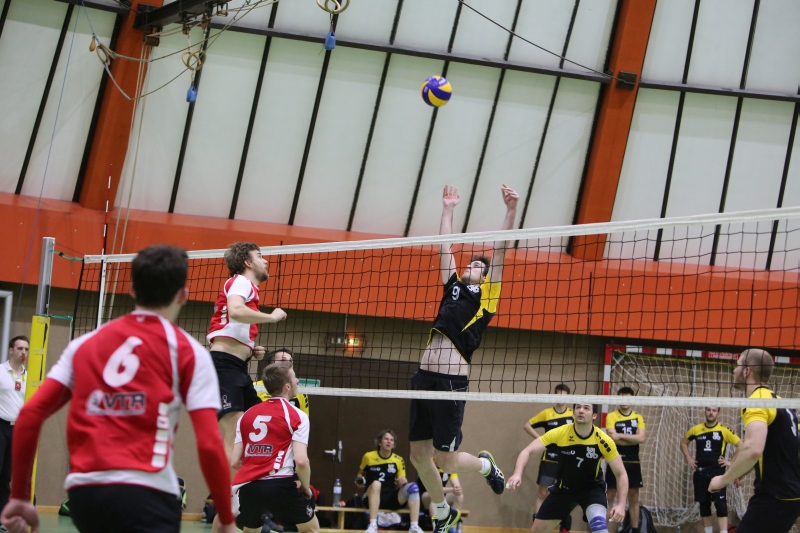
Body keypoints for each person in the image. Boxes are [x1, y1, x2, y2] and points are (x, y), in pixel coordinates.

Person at [0, 245, 236, 533]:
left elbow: (29, 416)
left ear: (132, 289)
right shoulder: (189, 352)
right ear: (183, 295)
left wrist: (20, 497)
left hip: (86, 495)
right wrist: (226, 516)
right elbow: (210, 443)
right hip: (148, 493)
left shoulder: (84, 345)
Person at [409, 184, 518, 533]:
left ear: (484, 278)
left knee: (446, 461)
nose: (471, 265)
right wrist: (447, 209)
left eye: (477, 266)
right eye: (469, 262)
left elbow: (500, 251)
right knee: (417, 455)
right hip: (423, 378)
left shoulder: (487, 297)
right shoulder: (452, 286)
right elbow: (445, 246)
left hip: (450, 381)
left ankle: (486, 466)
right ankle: (442, 512)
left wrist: (510, 211)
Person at [207, 241, 287, 461]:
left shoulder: (247, 289)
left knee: (255, 427)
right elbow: (235, 311)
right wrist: (271, 317)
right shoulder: (241, 281)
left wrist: (250, 349)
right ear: (247, 263)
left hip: (238, 367)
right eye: (259, 256)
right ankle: (227, 484)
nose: (266, 261)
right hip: (223, 366)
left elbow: (229, 323)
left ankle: (252, 478)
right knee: (234, 434)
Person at [708, 349, 800, 533]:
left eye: (737, 365)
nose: (734, 370)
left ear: (747, 371)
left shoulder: (757, 401)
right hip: (790, 496)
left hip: (774, 497)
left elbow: (753, 449)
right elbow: (772, 447)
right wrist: (741, 470)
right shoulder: (781, 403)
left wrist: (722, 480)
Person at [507, 404, 627, 533]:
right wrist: (517, 473)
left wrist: (621, 504)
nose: (581, 411)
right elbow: (527, 451)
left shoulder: (603, 440)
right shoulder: (560, 433)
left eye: (586, 408)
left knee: (600, 529)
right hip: (564, 489)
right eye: (578, 408)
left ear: (594, 415)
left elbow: (621, 474)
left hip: (592, 489)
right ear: (573, 412)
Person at [229, 363, 319, 533]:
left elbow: (235, 462)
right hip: (280, 484)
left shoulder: (247, 415)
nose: (297, 380)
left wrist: (257, 465)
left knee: (250, 531)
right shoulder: (297, 415)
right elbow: (301, 461)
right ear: (287, 386)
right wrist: (306, 488)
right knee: (311, 529)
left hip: (248, 487)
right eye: (294, 377)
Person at [680, 407, 740, 533]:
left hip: (717, 473)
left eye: (714, 410)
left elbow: (741, 446)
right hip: (701, 473)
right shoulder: (696, 429)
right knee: (704, 505)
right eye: (708, 410)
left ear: (718, 413)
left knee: (721, 505)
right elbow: (683, 443)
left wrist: (730, 462)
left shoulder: (724, 430)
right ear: (705, 412)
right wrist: (689, 458)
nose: (711, 413)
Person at [524, 383, 574, 533]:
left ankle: (564, 528)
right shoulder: (547, 413)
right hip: (549, 459)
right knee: (542, 493)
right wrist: (541, 439)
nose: (561, 398)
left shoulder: (573, 415)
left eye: (564, 395)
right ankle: (537, 527)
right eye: (558, 394)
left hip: (567, 461)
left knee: (565, 495)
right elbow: (527, 425)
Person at [357, 430, 422, 533]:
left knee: (413, 487)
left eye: (391, 440)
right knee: (377, 483)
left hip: (390, 497)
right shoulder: (368, 456)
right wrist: (359, 480)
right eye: (386, 439)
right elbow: (360, 474)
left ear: (393, 445)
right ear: (379, 442)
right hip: (371, 496)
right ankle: (373, 525)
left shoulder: (398, 460)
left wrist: (403, 482)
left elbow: (402, 481)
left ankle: (414, 527)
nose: (389, 442)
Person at [605, 387, 646, 533]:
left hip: (632, 461)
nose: (624, 401)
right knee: (610, 496)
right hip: (615, 459)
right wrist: (630, 439)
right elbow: (612, 439)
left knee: (633, 497)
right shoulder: (611, 416)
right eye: (621, 397)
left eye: (627, 397)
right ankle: (604, 530)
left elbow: (641, 438)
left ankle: (635, 531)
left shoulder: (638, 417)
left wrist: (620, 436)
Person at [0, 337, 28, 513]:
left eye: (26, 349)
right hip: (1, 426)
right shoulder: (1, 371)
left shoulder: (29, 377)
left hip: (17, 429)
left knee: (6, 476)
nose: (23, 352)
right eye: (19, 348)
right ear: (11, 351)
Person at [254, 348, 309, 415]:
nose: (288, 363)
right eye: (283, 360)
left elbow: (304, 417)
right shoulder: (255, 387)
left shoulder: (300, 391)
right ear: (271, 365)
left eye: (290, 361)